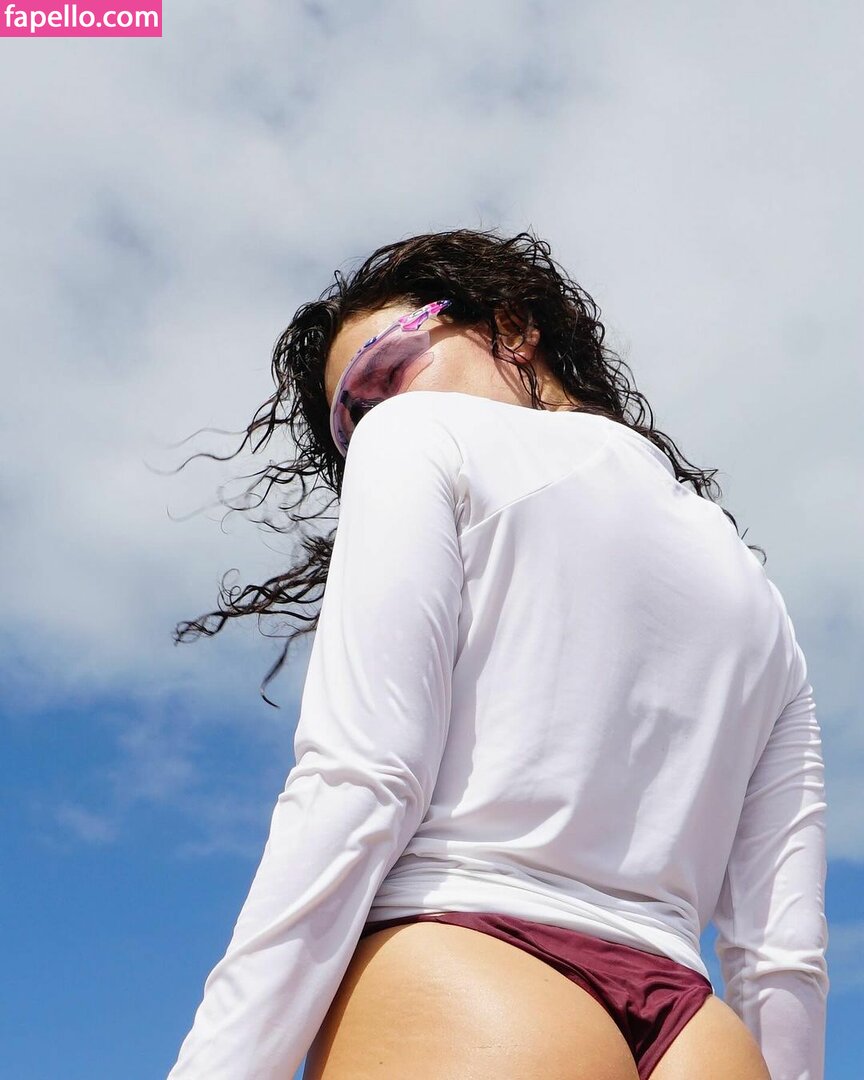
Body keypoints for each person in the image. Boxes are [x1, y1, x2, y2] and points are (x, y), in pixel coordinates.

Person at [166, 228, 829, 1079]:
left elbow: (361, 775)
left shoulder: (420, 437)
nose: (373, 416)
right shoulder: (758, 595)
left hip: (470, 958)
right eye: (350, 418)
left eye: (384, 368)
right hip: (694, 1032)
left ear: (512, 327)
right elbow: (780, 950)